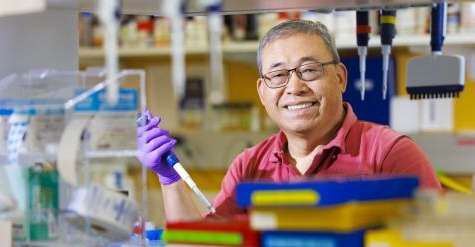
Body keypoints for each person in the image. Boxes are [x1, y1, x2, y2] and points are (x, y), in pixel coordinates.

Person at [137, 19, 442, 221]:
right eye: (278, 75)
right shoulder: (249, 167)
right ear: (262, 91)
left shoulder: (390, 154)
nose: (294, 87)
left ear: (339, 77)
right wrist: (170, 179)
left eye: (309, 70)